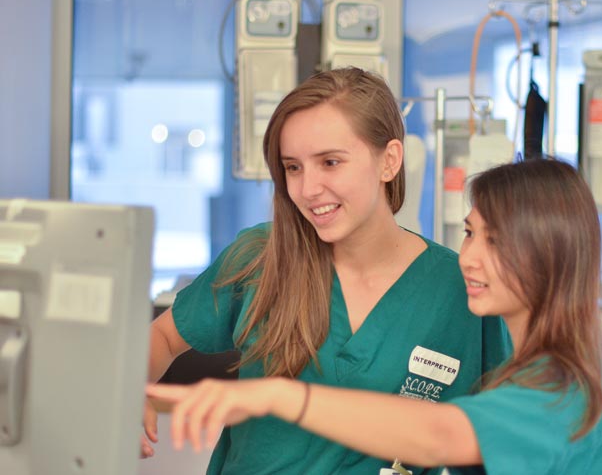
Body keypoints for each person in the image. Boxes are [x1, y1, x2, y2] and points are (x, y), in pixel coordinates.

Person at [141, 67, 511, 475]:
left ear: (389, 161)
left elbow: (496, 436)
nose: (308, 188)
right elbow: (163, 337)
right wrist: (129, 390)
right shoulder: (259, 258)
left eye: (330, 162)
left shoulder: (460, 290)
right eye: (293, 167)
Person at [147, 158, 602, 475]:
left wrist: (279, 395)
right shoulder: (533, 372)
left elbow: (438, 434)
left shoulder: (558, 391)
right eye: (471, 234)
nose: (470, 258)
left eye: (497, 242)